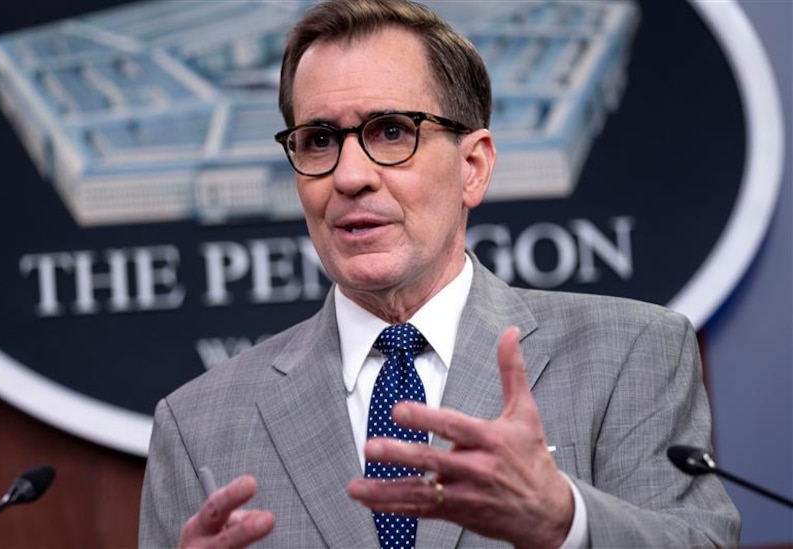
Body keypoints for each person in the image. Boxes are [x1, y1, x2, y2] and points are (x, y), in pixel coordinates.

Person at [139, 1, 740, 547]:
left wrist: (566, 521)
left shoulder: (627, 354)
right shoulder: (197, 427)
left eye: (391, 132)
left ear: (473, 167)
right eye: (319, 140)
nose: (350, 176)